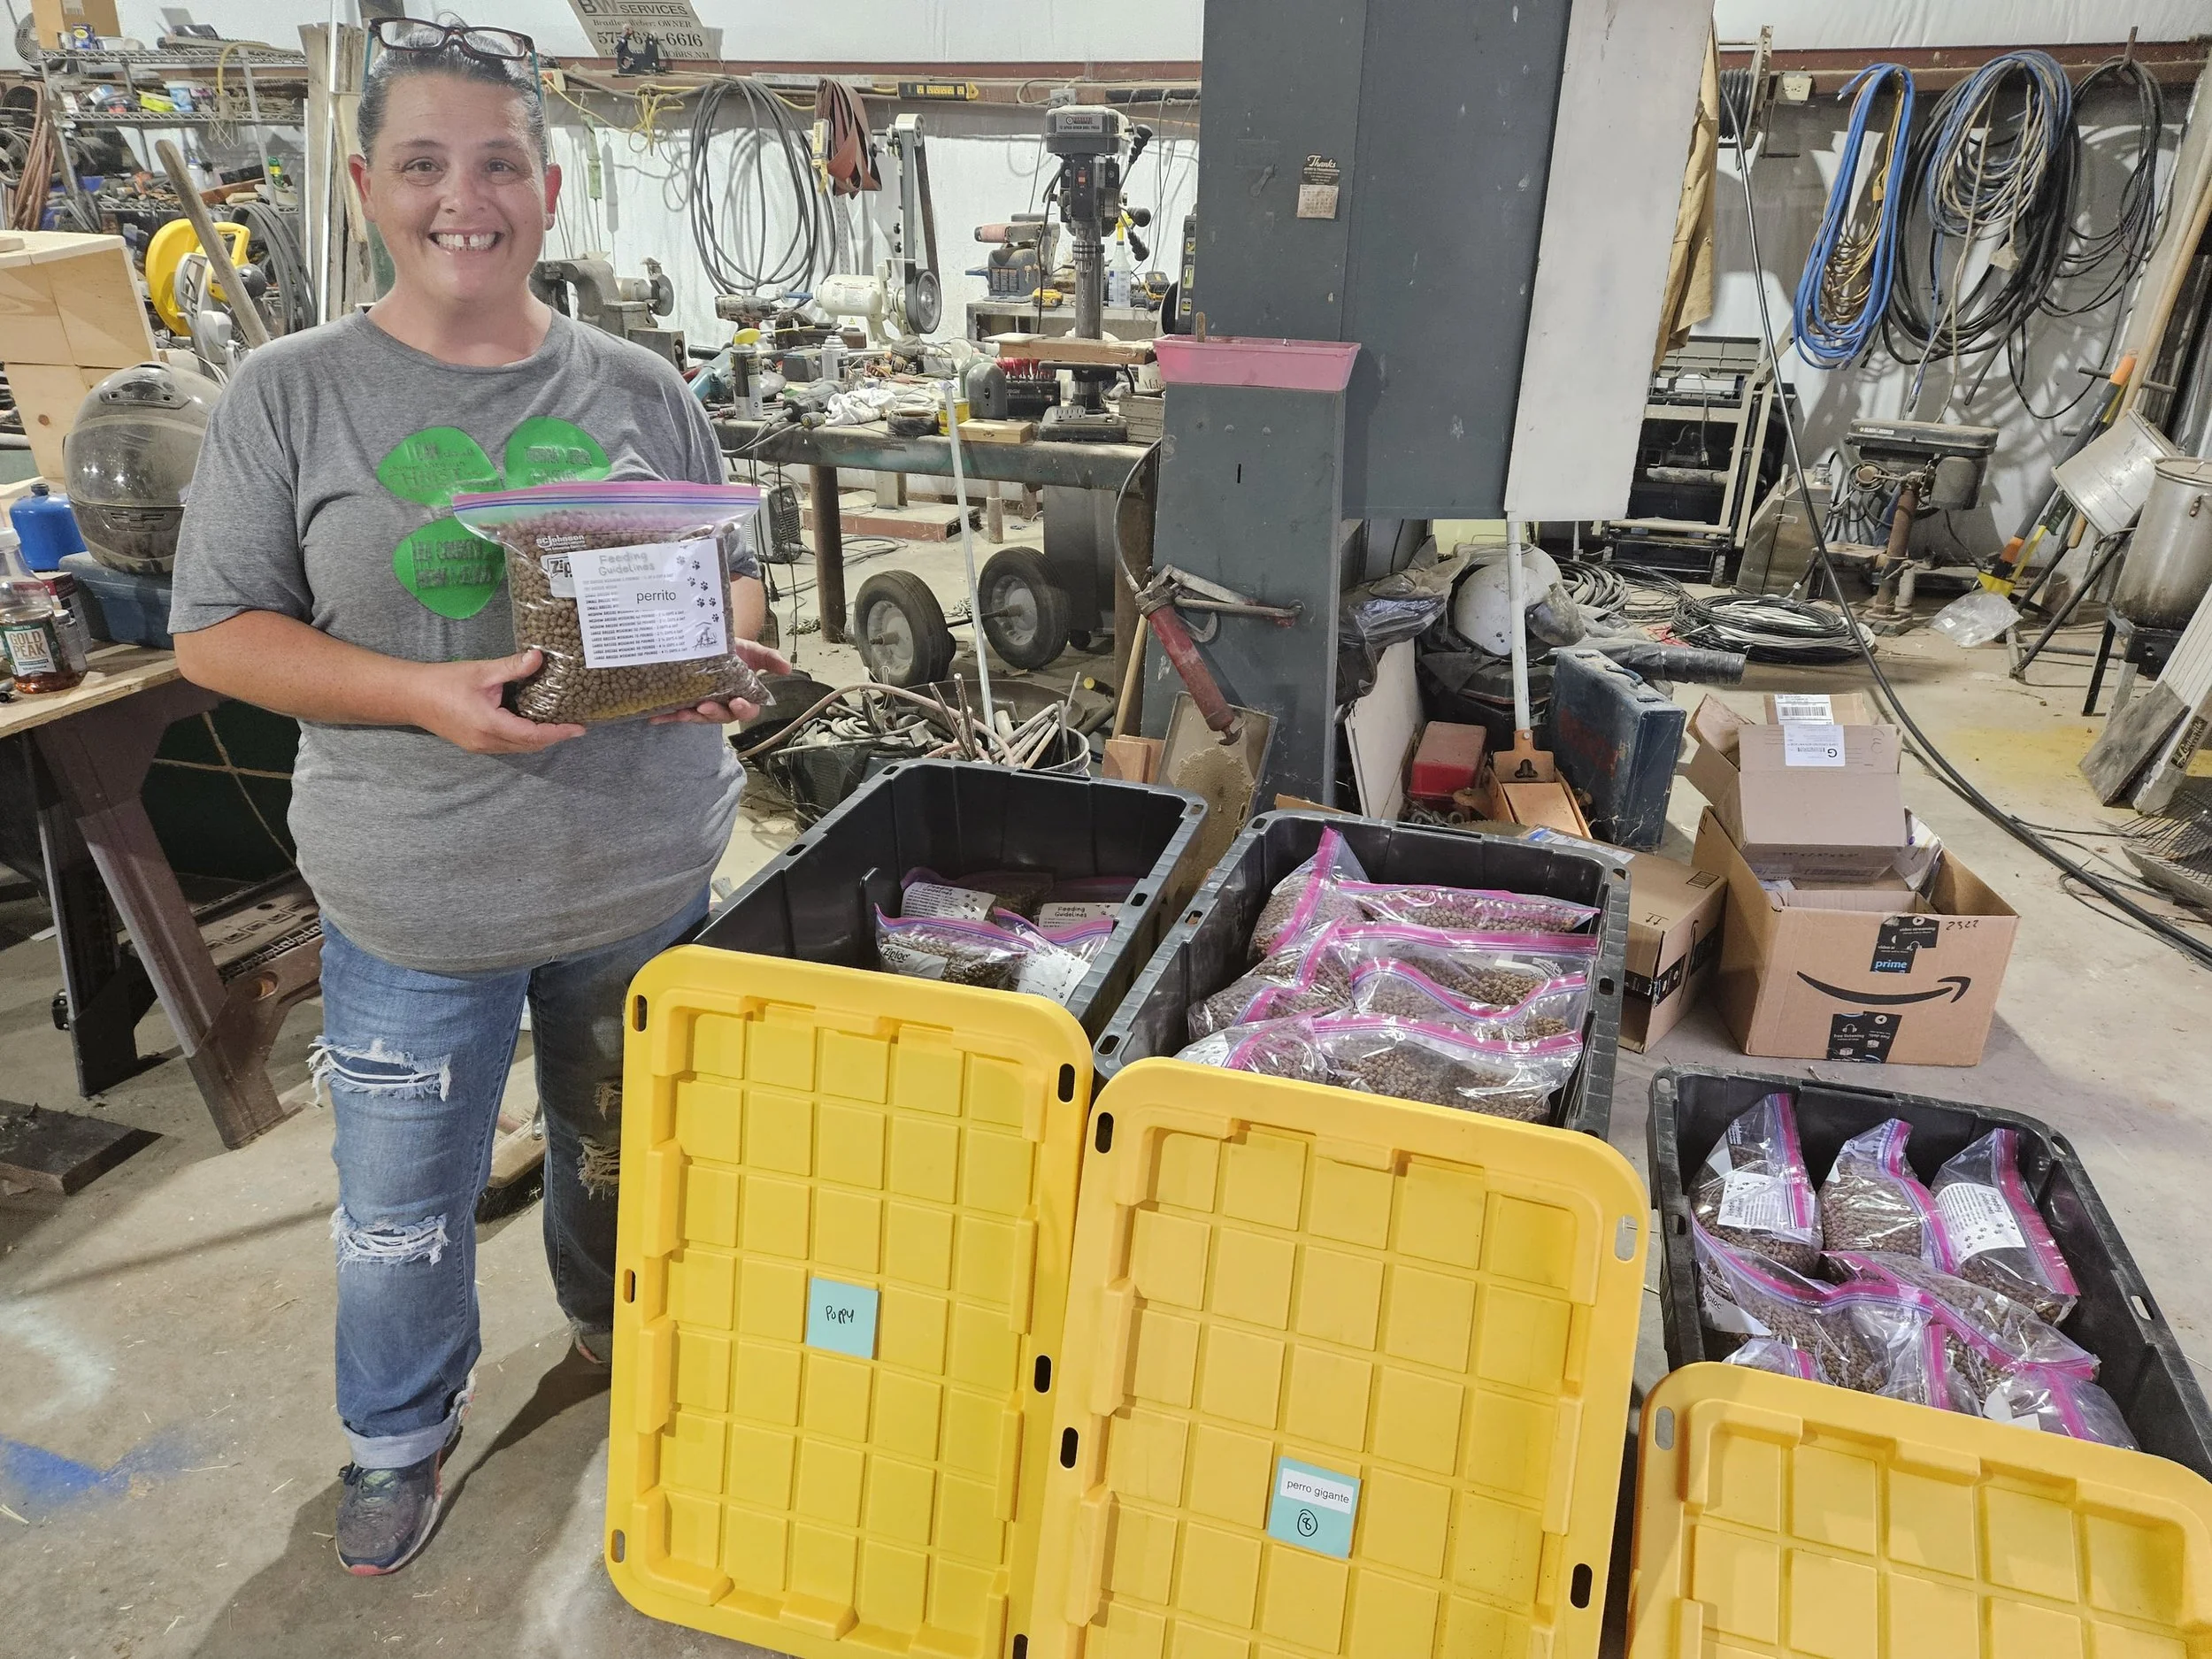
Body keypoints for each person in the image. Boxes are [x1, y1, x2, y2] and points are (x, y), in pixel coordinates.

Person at [168, 18, 786, 1576]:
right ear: (368, 185)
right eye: (427, 164)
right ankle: (397, 1432)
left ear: (551, 188)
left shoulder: (644, 384)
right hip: (415, 894)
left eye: (500, 162)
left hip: (641, 874)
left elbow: (734, 579)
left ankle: (609, 1338)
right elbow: (215, 631)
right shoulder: (285, 396)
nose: (467, 197)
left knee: (620, 1153)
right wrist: (417, 694)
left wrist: (733, 656)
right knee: (397, 1206)